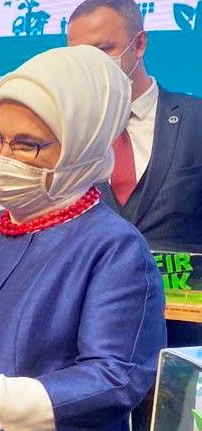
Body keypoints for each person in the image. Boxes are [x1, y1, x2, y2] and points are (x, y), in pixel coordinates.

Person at [0, 46, 166, 431]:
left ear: (81, 148)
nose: (3, 156)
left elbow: (116, 378)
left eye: (26, 144)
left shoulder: (116, 248)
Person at [67, 0, 202, 349]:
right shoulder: (66, 134)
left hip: (185, 340)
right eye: (79, 57)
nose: (92, 66)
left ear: (139, 44)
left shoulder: (196, 120)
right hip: (88, 337)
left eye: (103, 50)